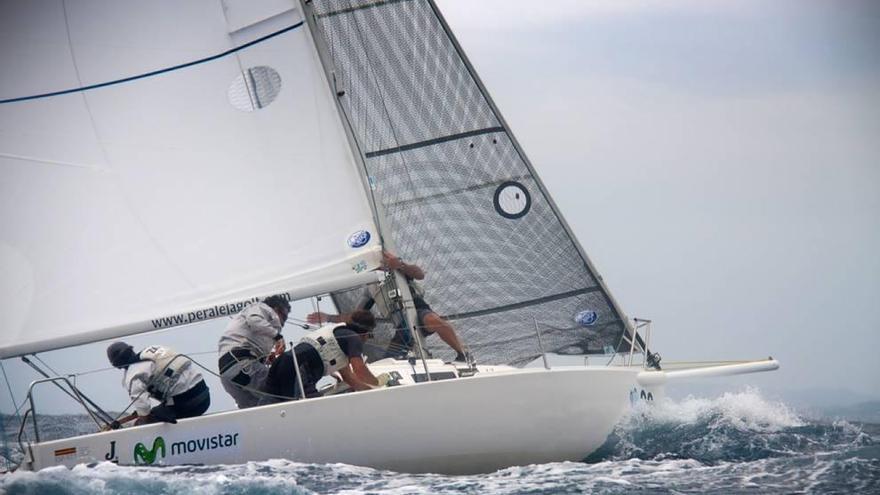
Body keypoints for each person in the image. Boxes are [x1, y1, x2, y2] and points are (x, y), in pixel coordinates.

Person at [308, 251, 469, 362]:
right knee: (389, 359)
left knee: (436, 321)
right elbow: (354, 316)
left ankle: (464, 355)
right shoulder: (370, 290)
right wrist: (329, 317)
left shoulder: (397, 270)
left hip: (417, 310)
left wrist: (399, 264)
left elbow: (420, 274)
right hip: (401, 324)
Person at [261, 310, 391, 401]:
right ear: (366, 332)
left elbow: (349, 377)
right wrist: (377, 383)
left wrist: (368, 390)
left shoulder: (335, 333)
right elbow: (359, 369)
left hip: (281, 363)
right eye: (370, 335)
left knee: (269, 407)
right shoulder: (354, 338)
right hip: (299, 371)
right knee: (311, 411)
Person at [105, 342, 210, 427]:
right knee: (157, 411)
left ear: (116, 365)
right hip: (205, 396)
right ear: (131, 350)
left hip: (188, 405)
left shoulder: (133, 375)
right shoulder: (152, 351)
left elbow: (143, 406)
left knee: (142, 421)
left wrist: (142, 422)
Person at [218, 295, 289, 408]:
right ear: (275, 309)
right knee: (282, 386)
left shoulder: (252, 317)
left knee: (258, 409)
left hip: (229, 372)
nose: (284, 323)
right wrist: (277, 336)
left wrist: (265, 358)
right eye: (284, 317)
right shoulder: (261, 308)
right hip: (242, 365)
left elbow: (250, 340)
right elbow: (255, 321)